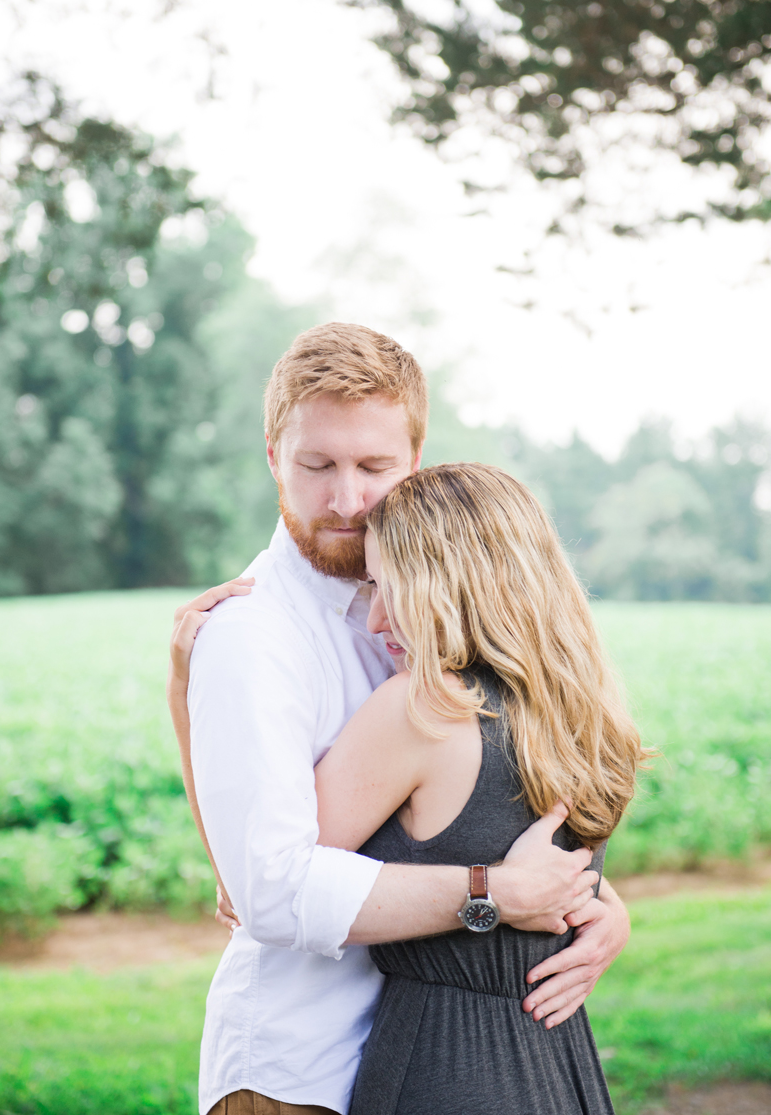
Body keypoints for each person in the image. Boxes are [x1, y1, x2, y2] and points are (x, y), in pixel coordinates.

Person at [167, 323, 631, 1115]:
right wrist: (496, 894)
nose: (345, 499)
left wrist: (594, 904)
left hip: (440, 1044)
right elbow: (263, 892)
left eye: (372, 466)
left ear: (415, 458)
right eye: (317, 465)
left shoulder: (433, 618)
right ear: (274, 454)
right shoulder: (252, 633)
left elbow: (492, 803)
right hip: (302, 1071)